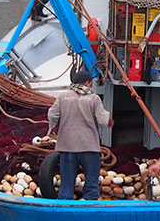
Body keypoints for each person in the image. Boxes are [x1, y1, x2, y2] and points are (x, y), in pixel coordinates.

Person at [47, 69, 114, 200]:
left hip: (68, 147)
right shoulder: (93, 98)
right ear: (87, 83)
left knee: (66, 184)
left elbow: (52, 114)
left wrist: (53, 124)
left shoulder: (63, 97)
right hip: (89, 147)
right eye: (90, 83)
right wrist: (109, 121)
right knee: (91, 182)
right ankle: (90, 206)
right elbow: (102, 120)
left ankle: (64, 207)